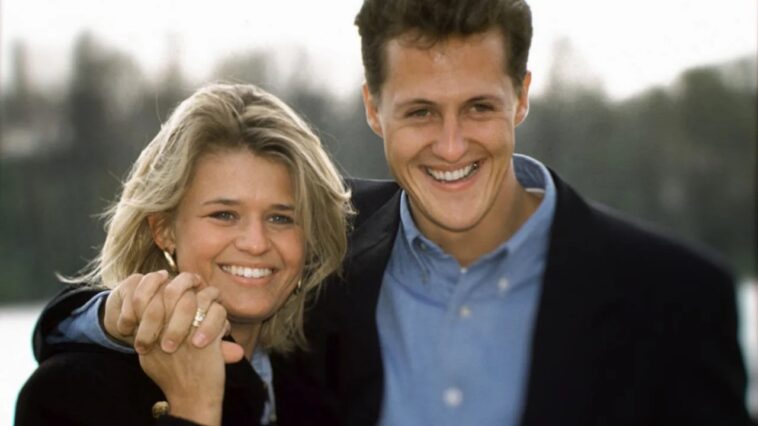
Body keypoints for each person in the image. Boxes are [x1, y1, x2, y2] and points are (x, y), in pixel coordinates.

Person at [28, 0, 751, 425]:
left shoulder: (674, 300)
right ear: (374, 108)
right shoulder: (339, 258)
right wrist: (113, 316)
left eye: (479, 107)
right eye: (420, 111)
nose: (451, 145)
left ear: (523, 96)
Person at [15, 82, 353, 425]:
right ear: (163, 229)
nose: (256, 243)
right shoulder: (69, 395)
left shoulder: (323, 387)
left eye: (281, 218)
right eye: (224, 214)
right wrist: (193, 407)